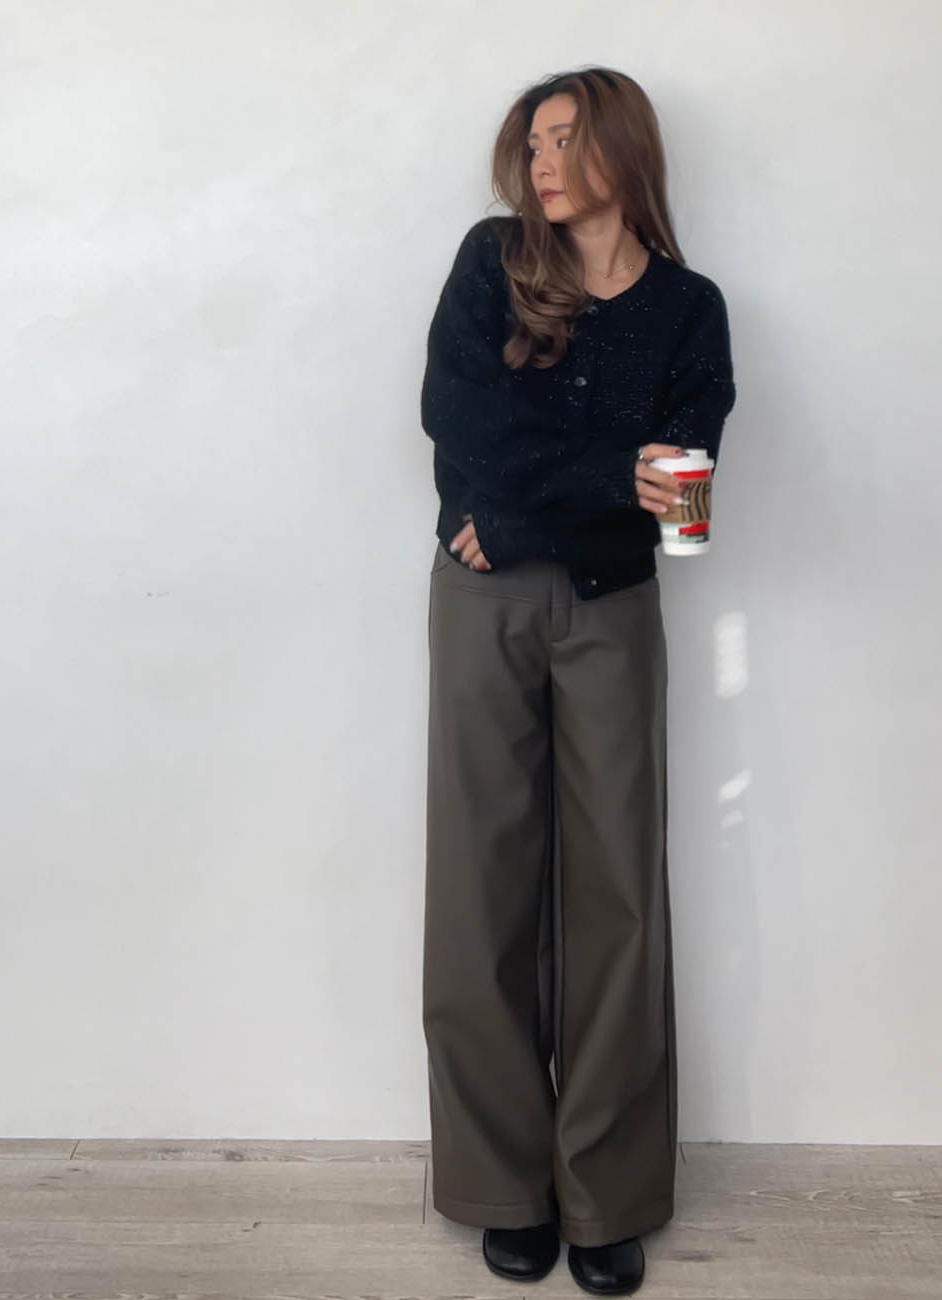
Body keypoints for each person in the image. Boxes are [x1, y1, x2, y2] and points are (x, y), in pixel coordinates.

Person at [419, 66, 736, 1296]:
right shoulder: (493, 262)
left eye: (564, 139)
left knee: (618, 895)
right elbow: (460, 420)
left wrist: (529, 503)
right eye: (532, 143)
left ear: (622, 148)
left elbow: (681, 468)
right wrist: (605, 474)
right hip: (483, 601)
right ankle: (502, 1185)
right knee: (481, 885)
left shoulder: (688, 308)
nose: (541, 163)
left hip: (611, 606)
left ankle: (604, 1193)